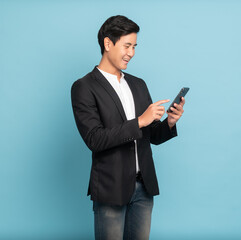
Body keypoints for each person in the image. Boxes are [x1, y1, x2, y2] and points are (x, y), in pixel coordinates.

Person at [71, 15, 185, 240]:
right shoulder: (84, 87)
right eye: (127, 46)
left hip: (144, 188)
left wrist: (169, 123)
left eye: (134, 46)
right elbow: (95, 139)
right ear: (107, 44)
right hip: (111, 188)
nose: (131, 53)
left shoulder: (138, 84)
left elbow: (150, 135)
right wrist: (140, 121)